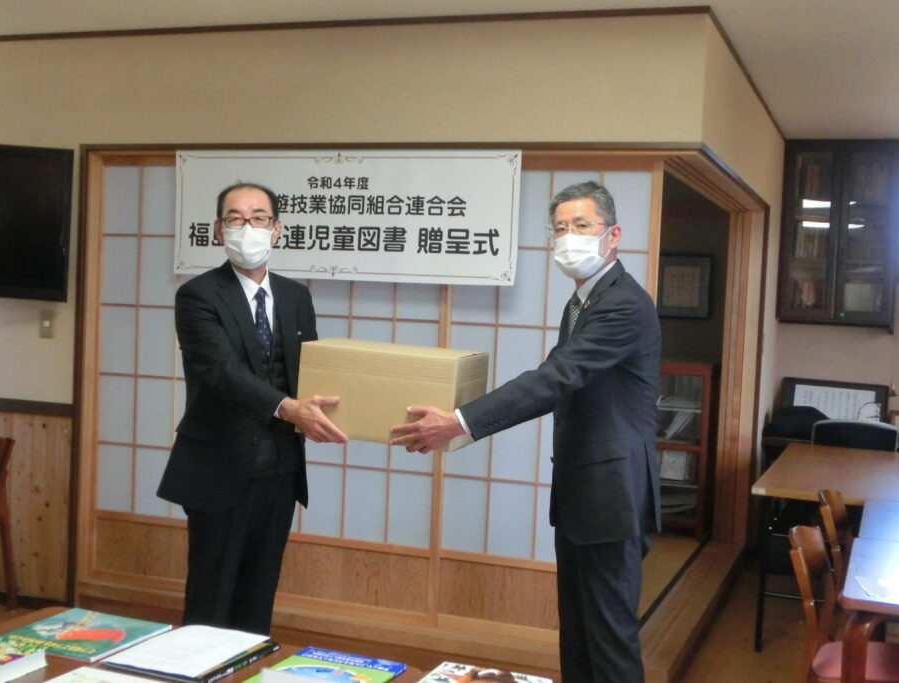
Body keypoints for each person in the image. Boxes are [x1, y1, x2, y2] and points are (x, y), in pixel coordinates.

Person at [390, 181, 661, 683]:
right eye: (559, 228)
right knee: (578, 632)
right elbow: (556, 384)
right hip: (584, 494)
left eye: (582, 225)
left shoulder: (623, 303)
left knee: (609, 639)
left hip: (612, 497)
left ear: (614, 234)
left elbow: (555, 378)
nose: (568, 238)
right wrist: (461, 423)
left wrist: (460, 421)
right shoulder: (582, 302)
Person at [157, 181, 347, 635]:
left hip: (280, 470)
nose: (248, 228)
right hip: (218, 467)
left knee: (259, 596)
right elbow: (222, 371)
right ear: (218, 230)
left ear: (276, 229)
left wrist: (336, 408)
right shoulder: (198, 295)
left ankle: (248, 664)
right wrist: (290, 409)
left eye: (259, 218)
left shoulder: (296, 296)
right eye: (236, 219)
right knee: (211, 601)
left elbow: (310, 370)